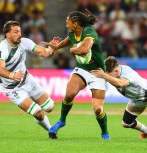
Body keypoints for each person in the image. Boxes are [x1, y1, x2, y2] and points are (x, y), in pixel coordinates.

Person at [43, 9, 109, 140]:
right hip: (82, 69)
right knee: (69, 94)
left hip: (98, 73)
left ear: (75, 23)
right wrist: (56, 47)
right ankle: (62, 120)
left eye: (68, 22)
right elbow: (68, 41)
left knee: (97, 110)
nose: (66, 24)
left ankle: (104, 132)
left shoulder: (90, 34)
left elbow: (84, 49)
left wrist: (73, 50)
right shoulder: (73, 32)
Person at [0, 21, 58, 135]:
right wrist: (12, 75)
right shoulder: (1, 48)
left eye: (19, 31)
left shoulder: (25, 42)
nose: (19, 34)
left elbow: (44, 53)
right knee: (38, 113)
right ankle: (51, 130)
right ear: (7, 35)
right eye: (15, 32)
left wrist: (52, 49)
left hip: (27, 80)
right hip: (12, 88)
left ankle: (36, 112)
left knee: (49, 107)